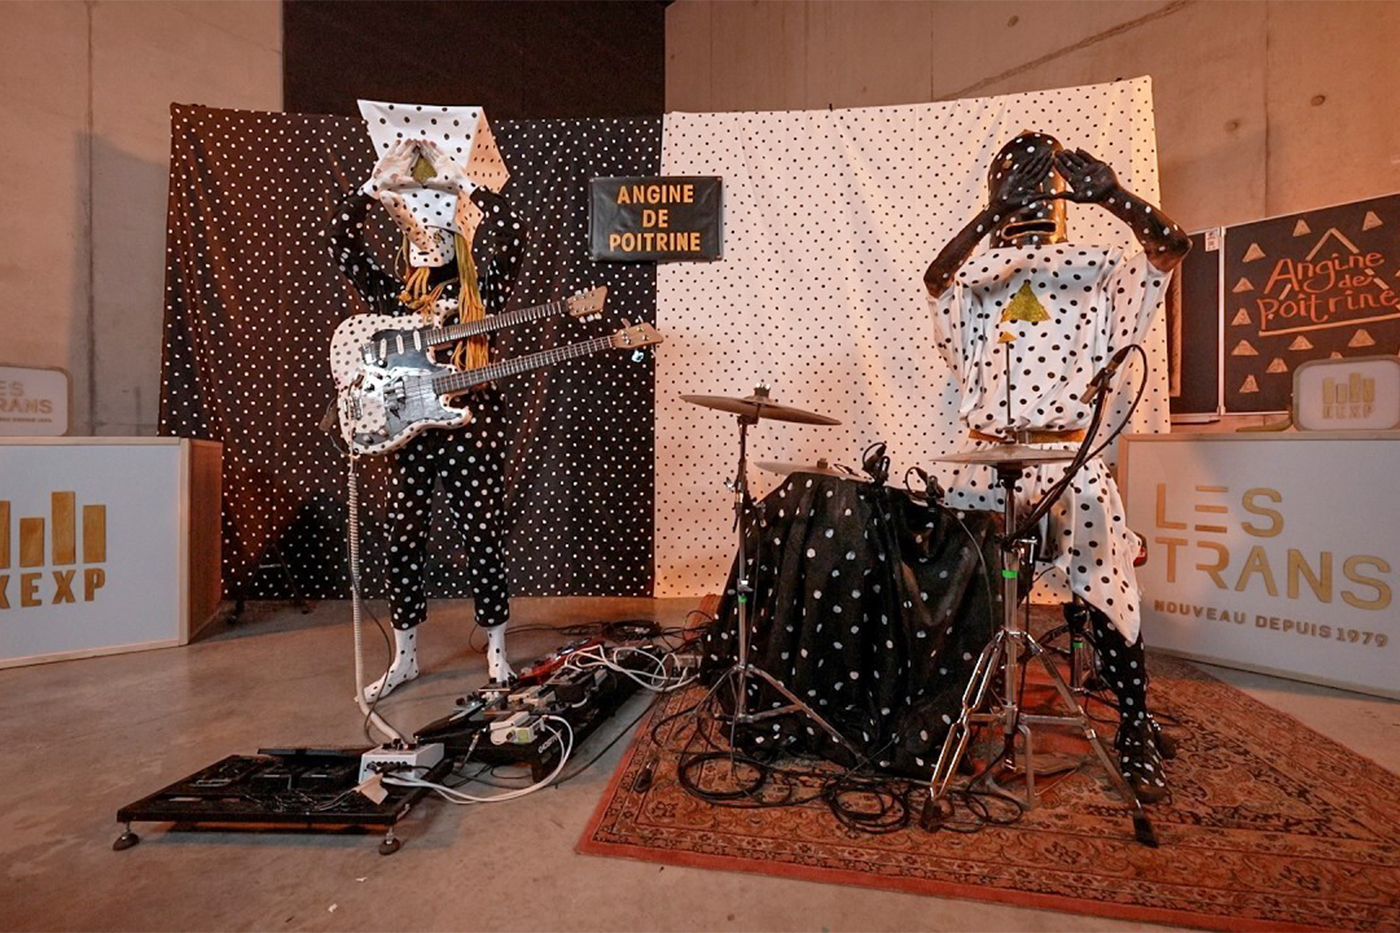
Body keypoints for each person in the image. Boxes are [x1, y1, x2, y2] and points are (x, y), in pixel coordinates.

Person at [924, 130, 1190, 802]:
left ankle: (1134, 724)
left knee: (1105, 584)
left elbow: (1168, 247)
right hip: (985, 456)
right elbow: (936, 281)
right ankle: (943, 712)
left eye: (1034, 187)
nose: (1028, 198)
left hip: (1069, 454)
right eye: (1017, 186)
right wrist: (989, 220)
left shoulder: (1098, 267)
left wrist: (1115, 197)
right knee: (950, 581)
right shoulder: (975, 278)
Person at [329, 127, 524, 700]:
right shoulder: (393, 299)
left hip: (474, 423)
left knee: (483, 534)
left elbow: (513, 236)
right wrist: (375, 185)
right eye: (415, 225)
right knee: (403, 536)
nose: (425, 234)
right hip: (408, 428)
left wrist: (463, 182)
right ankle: (406, 656)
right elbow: (342, 242)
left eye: (436, 224)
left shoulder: (479, 292)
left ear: (457, 232)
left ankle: (497, 651)